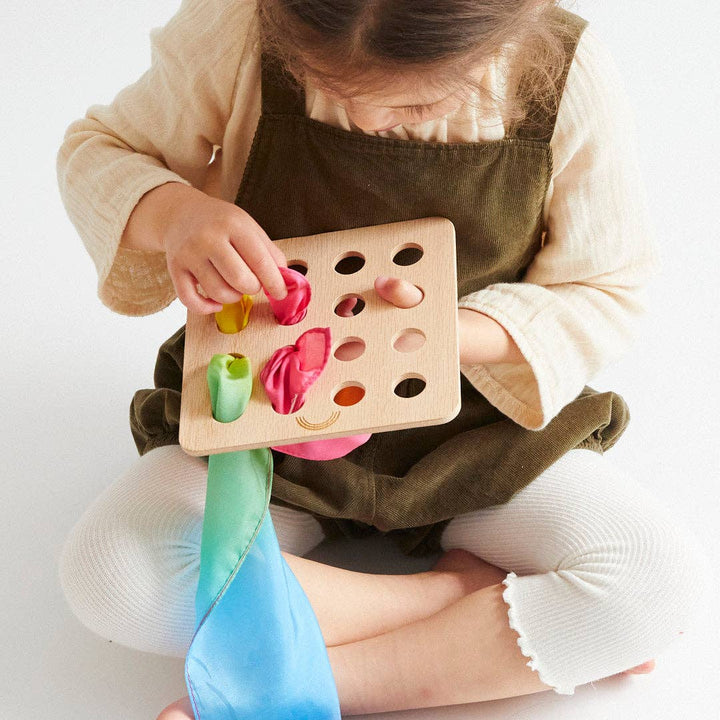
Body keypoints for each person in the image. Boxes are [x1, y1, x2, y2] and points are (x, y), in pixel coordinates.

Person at [56, 1, 711, 717]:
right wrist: (177, 212)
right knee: (111, 576)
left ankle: (296, 686)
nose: (368, 121)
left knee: (658, 583)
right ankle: (459, 595)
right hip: (266, 427)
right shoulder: (242, 23)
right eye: (330, 83)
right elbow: (100, 152)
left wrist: (449, 332)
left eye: (419, 99)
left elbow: (605, 286)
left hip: (477, 424)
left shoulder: (562, 74)